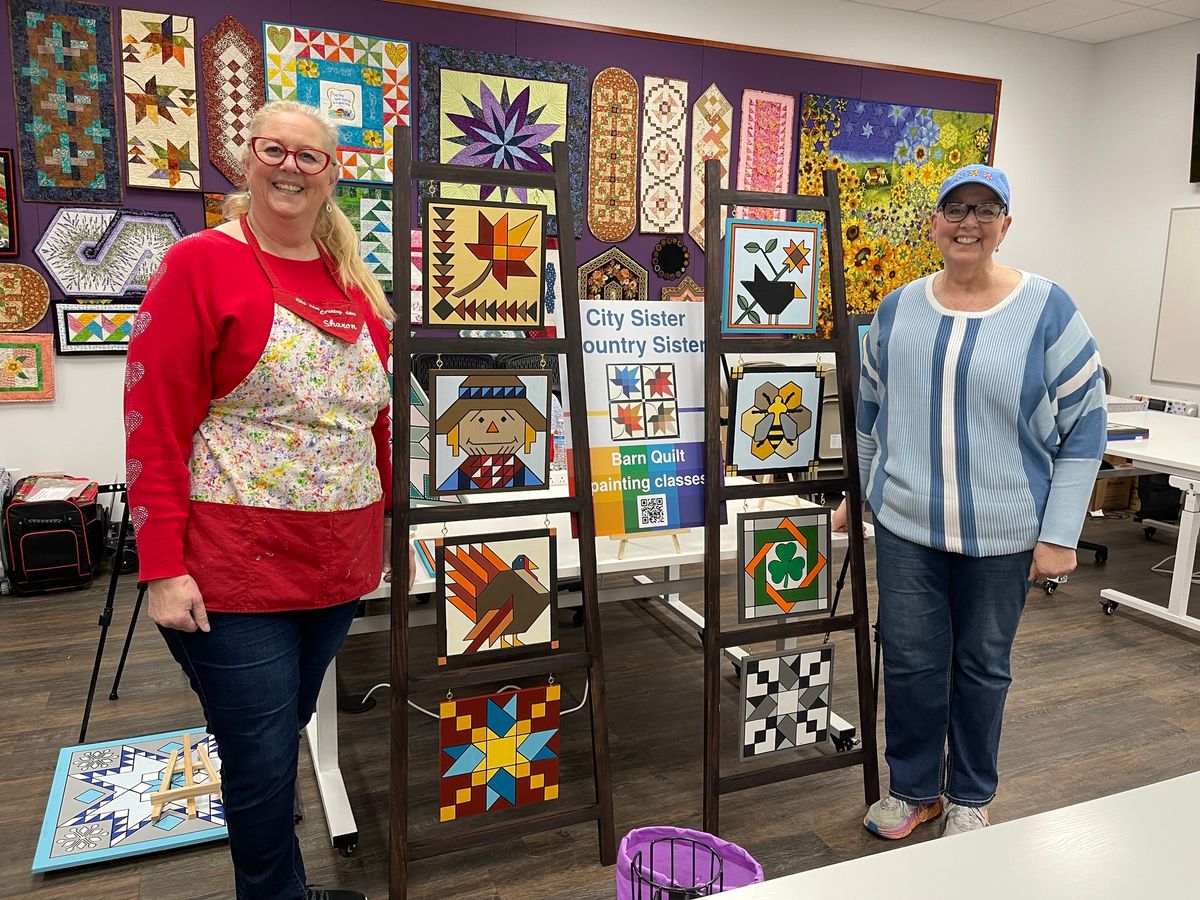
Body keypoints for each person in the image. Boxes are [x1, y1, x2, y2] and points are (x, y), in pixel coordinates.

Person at [124, 99, 414, 900]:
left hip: (338, 563)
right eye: (272, 150)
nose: (289, 166)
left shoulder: (353, 279)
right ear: (244, 159)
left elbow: (377, 423)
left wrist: (390, 532)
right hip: (232, 568)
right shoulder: (199, 263)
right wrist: (160, 567)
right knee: (256, 759)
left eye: (308, 156)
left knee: (280, 733)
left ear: (333, 174)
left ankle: (282, 885)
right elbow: (153, 423)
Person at [834, 164, 1106, 840]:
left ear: (1005, 226)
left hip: (1006, 532)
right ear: (934, 223)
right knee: (911, 661)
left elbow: (1087, 426)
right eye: (956, 208)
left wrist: (1060, 532)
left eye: (986, 211)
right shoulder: (897, 308)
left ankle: (970, 796)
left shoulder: (1048, 309)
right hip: (907, 528)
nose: (968, 223)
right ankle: (915, 789)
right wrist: (858, 494)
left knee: (982, 668)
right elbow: (869, 411)